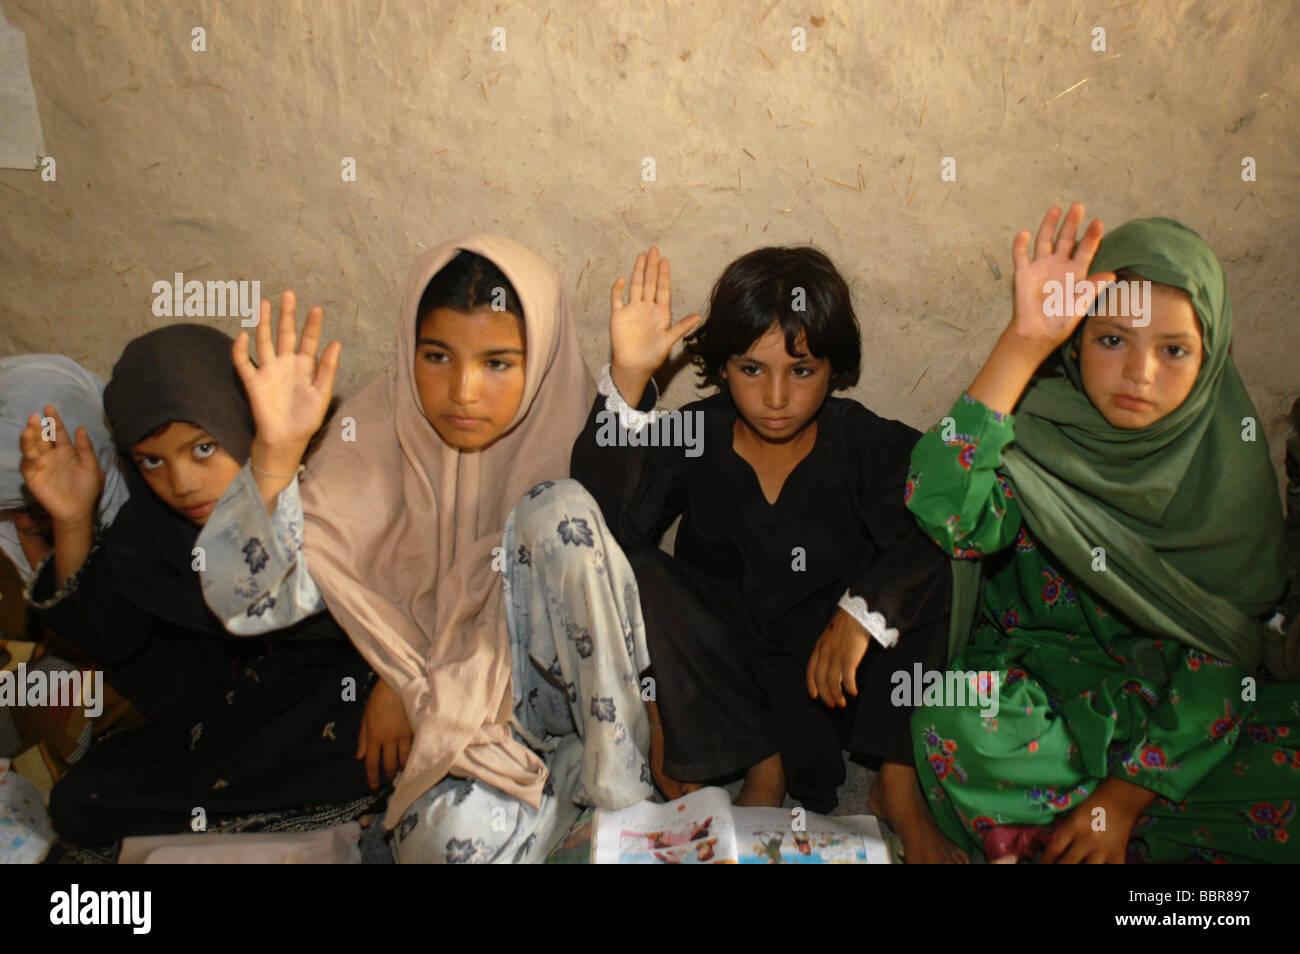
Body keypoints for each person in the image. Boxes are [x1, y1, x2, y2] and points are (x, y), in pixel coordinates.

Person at [195, 235, 655, 863]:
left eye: (498, 363)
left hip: (560, 698)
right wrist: (276, 456)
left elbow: (628, 557)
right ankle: (555, 818)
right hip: (453, 721)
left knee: (561, 508)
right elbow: (249, 605)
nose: (463, 390)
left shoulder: (575, 423)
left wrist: (628, 383)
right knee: (442, 845)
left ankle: (619, 804)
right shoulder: (372, 437)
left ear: (541, 356)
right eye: (437, 355)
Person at [907, 204, 1299, 863]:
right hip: (1038, 699)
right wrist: (1022, 345)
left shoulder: (1228, 473)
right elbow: (941, 508)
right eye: (1112, 339)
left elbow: (1224, 659)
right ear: (1077, 340)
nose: (1140, 372)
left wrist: (1123, 796)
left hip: (1174, 717)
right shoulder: (1032, 433)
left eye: (1173, 350)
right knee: (952, 716)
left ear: (1210, 358)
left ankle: (1084, 833)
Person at [571, 246, 958, 862]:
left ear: (835, 369)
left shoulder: (862, 443)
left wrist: (864, 611)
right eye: (752, 369)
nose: (776, 397)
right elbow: (602, 522)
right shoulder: (695, 432)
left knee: (931, 558)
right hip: (724, 672)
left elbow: (946, 515)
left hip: (825, 677)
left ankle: (897, 784)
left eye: (801, 371)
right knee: (637, 568)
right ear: (722, 367)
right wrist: (628, 379)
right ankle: (762, 761)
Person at [19, 318, 377, 846]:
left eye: (203, 448)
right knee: (81, 797)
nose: (181, 483)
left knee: (375, 744)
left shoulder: (325, 494)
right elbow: (111, 638)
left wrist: (398, 685)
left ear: (243, 422)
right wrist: (72, 523)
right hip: (230, 725)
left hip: (336, 703)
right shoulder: (150, 530)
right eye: (152, 461)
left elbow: (409, 597)